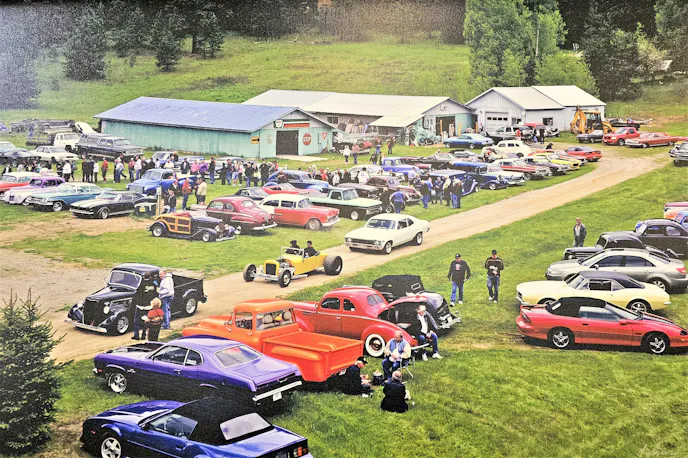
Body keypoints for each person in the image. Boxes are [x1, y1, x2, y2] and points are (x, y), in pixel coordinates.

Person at [132, 272, 158, 340]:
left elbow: (137, 294)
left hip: (140, 306)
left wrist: (136, 302)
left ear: (144, 277)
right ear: (150, 277)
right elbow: (155, 294)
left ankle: (136, 335)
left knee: (136, 321)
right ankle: (144, 335)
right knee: (146, 321)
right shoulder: (153, 285)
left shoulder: (141, 285)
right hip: (149, 306)